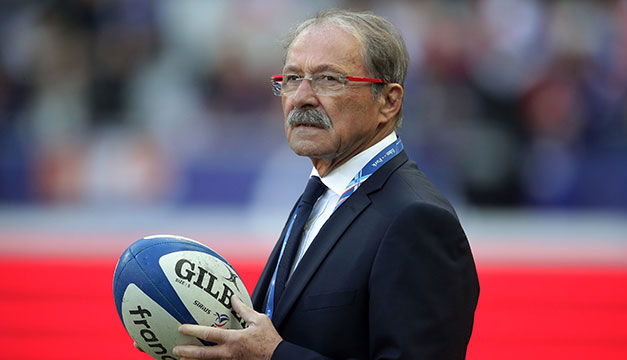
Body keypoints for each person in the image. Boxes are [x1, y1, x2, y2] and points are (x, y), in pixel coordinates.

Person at [171, 9, 479, 359]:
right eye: (291, 78)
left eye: (328, 79)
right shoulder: (323, 192)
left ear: (389, 101)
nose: (301, 97)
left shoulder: (417, 219)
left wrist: (274, 356)